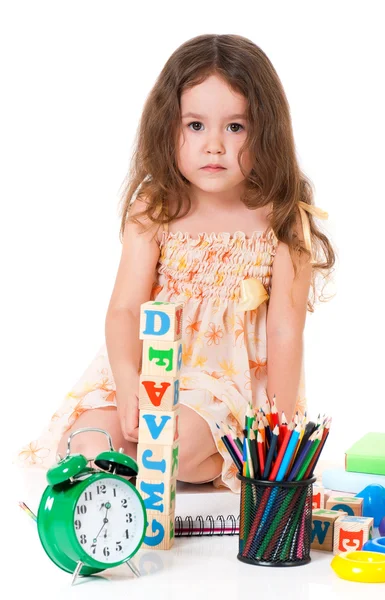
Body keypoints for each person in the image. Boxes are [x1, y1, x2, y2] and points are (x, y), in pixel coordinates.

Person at [16, 33, 336, 493]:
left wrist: (277, 445)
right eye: (195, 125)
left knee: (169, 442)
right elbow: (125, 309)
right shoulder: (156, 207)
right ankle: (150, 470)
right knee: (86, 436)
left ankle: (201, 464)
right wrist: (128, 386)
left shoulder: (283, 218)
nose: (214, 146)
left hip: (225, 390)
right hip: (151, 374)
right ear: (168, 127)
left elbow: (286, 331)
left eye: (236, 127)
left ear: (265, 130)